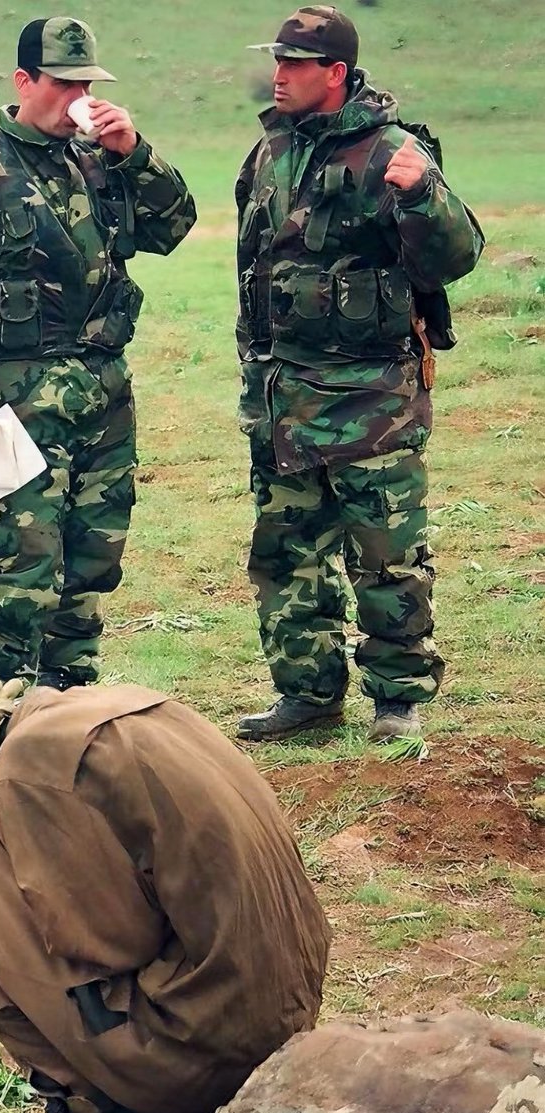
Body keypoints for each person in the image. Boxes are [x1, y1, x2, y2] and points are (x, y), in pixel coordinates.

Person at [0, 681, 331, 1113]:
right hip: (283, 1016)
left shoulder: (26, 770)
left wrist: (32, 868)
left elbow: (116, 945)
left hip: (207, 1053)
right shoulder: (108, 707)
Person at [0, 17, 196, 692]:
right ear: (24, 82)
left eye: (87, 84)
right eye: (64, 83)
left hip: (103, 397)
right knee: (14, 573)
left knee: (91, 564)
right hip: (10, 401)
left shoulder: (98, 161)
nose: (78, 98)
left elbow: (173, 226)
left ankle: (68, 716)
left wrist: (135, 152)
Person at [235, 6, 484, 743]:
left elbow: (455, 257)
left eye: (294, 65)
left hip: (373, 400)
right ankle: (307, 695)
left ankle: (397, 699)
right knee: (287, 555)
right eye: (275, 61)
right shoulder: (270, 150)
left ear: (335, 74)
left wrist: (422, 194)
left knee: (385, 553)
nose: (277, 75)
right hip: (282, 397)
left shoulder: (395, 151)